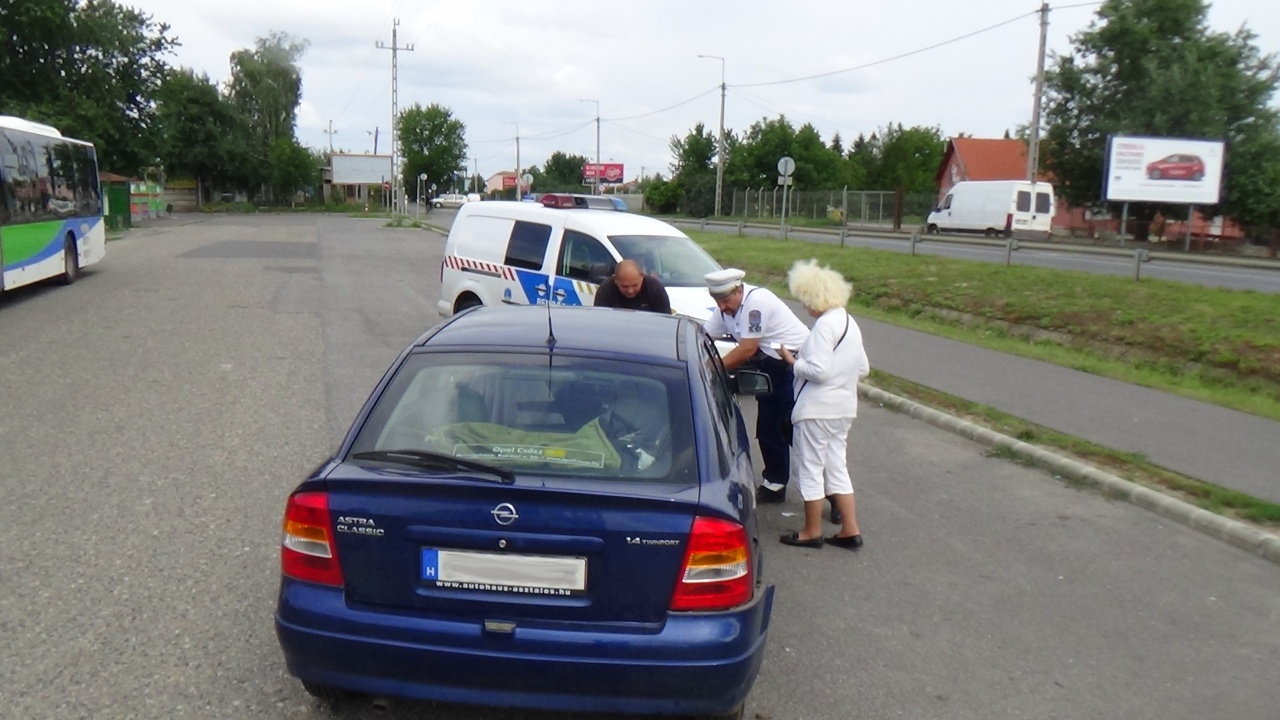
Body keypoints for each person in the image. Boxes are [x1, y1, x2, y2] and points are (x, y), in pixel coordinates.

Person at [775, 259, 870, 550]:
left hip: (816, 409)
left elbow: (818, 370)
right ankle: (849, 530)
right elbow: (863, 368)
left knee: (810, 468)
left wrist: (793, 362)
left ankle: (810, 531)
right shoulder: (848, 322)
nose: (805, 306)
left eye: (805, 299)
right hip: (843, 408)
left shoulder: (823, 327)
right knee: (836, 466)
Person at [702, 268, 810, 503]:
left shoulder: (756, 304)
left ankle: (832, 494)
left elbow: (747, 348)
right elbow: (704, 334)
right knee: (768, 428)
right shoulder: (726, 310)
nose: (721, 307)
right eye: (717, 301)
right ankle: (775, 483)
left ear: (739, 290)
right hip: (769, 368)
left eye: (725, 300)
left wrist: (707, 369)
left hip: (794, 367)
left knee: (800, 432)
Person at [593, 259, 672, 313]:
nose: (630, 291)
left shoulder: (654, 288)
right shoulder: (605, 290)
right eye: (625, 286)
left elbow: (666, 320)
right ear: (615, 280)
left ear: (642, 276)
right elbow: (600, 321)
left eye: (635, 285)